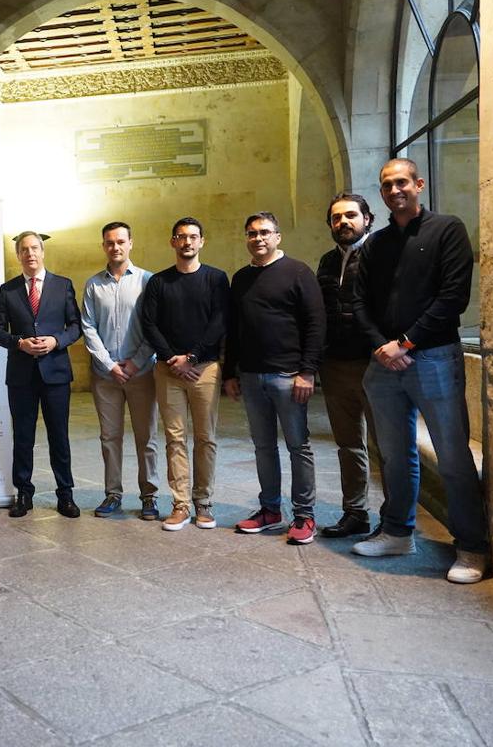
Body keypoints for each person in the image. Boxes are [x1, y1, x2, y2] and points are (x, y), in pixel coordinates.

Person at [351, 158, 490, 584]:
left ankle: (472, 547)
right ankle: (397, 532)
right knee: (393, 454)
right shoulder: (375, 244)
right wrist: (381, 346)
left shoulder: (447, 229)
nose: (394, 190)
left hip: (432, 358)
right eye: (387, 185)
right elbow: (359, 303)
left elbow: (453, 298)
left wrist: (404, 343)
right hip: (384, 363)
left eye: (401, 183)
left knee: (452, 456)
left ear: (419, 184)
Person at [224, 212, 326, 544]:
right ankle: (269, 510)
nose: (258, 238)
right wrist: (230, 372)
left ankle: (304, 515)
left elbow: (315, 323)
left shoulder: (298, 272)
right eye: (252, 233)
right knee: (263, 447)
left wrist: (307, 371)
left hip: (288, 375)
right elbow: (234, 331)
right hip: (252, 376)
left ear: (278, 236)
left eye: (265, 232)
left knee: (299, 446)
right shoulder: (240, 279)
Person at [139, 217, 230, 531]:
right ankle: (180, 505)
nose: (187, 242)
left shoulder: (217, 279)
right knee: (175, 439)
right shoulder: (159, 282)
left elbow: (220, 321)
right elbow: (149, 324)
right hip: (168, 370)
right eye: (181, 237)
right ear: (172, 242)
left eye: (193, 237)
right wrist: (172, 359)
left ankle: (203, 503)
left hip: (205, 368)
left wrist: (191, 357)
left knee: (206, 439)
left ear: (202, 241)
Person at [0, 231, 82, 519]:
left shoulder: (63, 285)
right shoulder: (9, 290)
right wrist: (19, 343)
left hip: (55, 373)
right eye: (24, 250)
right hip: (21, 376)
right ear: (18, 255)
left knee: (59, 436)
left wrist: (56, 341)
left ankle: (65, 495)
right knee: (23, 437)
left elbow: (75, 326)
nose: (30, 254)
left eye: (34, 248)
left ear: (42, 252)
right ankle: (24, 494)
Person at [316, 194, 385, 538]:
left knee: (387, 446)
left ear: (368, 219)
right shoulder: (327, 261)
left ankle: (394, 518)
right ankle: (355, 511)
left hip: (376, 363)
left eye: (351, 216)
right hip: (336, 365)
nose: (343, 222)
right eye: (336, 218)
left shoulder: (383, 254)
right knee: (348, 444)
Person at [80, 221, 160, 519]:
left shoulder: (147, 281)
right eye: (110, 242)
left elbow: (154, 327)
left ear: (131, 243)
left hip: (142, 373)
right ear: (104, 246)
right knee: (109, 437)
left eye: (121, 241)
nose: (115, 247)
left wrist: (136, 361)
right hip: (106, 376)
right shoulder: (93, 284)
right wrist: (109, 364)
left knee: (146, 437)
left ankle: (149, 496)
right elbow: (88, 327)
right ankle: (112, 494)